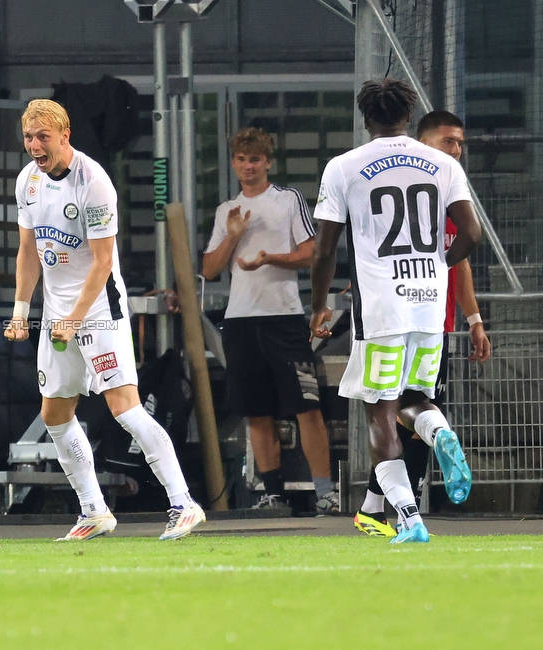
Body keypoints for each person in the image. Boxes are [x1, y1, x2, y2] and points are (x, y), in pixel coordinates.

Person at [6, 99, 205, 541]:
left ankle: (183, 503)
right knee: (55, 414)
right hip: (58, 315)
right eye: (28, 137)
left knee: (125, 408)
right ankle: (93, 511)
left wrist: (76, 318)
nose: (35, 146)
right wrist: (21, 312)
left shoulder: (93, 182)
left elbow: (101, 263)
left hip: (97, 311)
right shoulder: (28, 182)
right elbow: (28, 251)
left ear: (65, 134)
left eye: (43, 137)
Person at [310, 79, 482, 543]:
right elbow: (471, 232)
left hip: (382, 304)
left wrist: (319, 304)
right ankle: (439, 431)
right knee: (413, 398)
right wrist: (436, 266)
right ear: (408, 117)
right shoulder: (441, 164)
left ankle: (408, 517)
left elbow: (325, 249)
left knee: (380, 410)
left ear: (366, 119)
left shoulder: (344, 167)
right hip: (430, 304)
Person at [354, 110, 492, 537]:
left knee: (388, 413)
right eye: (448, 141)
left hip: (417, 320)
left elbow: (461, 262)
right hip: (425, 320)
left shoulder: (442, 190)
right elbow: (463, 247)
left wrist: (473, 319)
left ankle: (385, 509)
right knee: (414, 415)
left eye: (460, 144)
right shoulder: (439, 186)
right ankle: (379, 508)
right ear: (421, 141)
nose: (456, 150)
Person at [202, 127, 339, 514]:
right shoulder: (225, 210)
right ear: (233, 163)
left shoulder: (287, 199)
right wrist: (232, 237)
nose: (248, 166)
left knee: (306, 406)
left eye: (255, 160)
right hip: (241, 321)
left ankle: (326, 490)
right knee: (256, 411)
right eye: (242, 160)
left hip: (284, 317)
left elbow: (311, 252)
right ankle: (271, 492)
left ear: (268, 162)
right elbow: (210, 269)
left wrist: (268, 258)